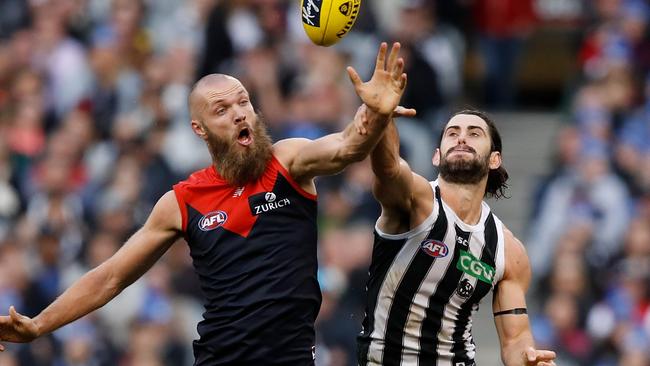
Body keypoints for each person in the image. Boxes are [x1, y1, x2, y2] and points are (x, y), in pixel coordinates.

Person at [0, 42, 413, 365]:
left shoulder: (288, 161)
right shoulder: (181, 201)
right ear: (200, 129)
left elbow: (347, 147)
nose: (239, 114)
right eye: (222, 109)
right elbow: (110, 277)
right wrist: (39, 325)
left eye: (243, 102)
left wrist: (376, 114)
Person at [355, 109, 557, 365]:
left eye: (474, 133)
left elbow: (515, 339)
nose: (462, 138)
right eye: (452, 133)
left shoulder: (508, 249)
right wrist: (382, 118)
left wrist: (529, 360)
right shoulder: (417, 201)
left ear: (494, 159)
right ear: (437, 156)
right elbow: (389, 170)